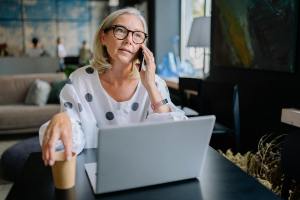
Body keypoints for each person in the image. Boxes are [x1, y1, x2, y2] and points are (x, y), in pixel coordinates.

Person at [39, 7, 187, 166]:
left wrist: (150, 86)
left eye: (137, 35)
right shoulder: (80, 80)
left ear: (142, 46)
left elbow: (172, 136)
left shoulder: (155, 82)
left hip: (145, 167)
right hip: (95, 168)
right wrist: (63, 118)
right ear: (103, 37)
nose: (129, 40)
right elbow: (69, 141)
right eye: (121, 31)